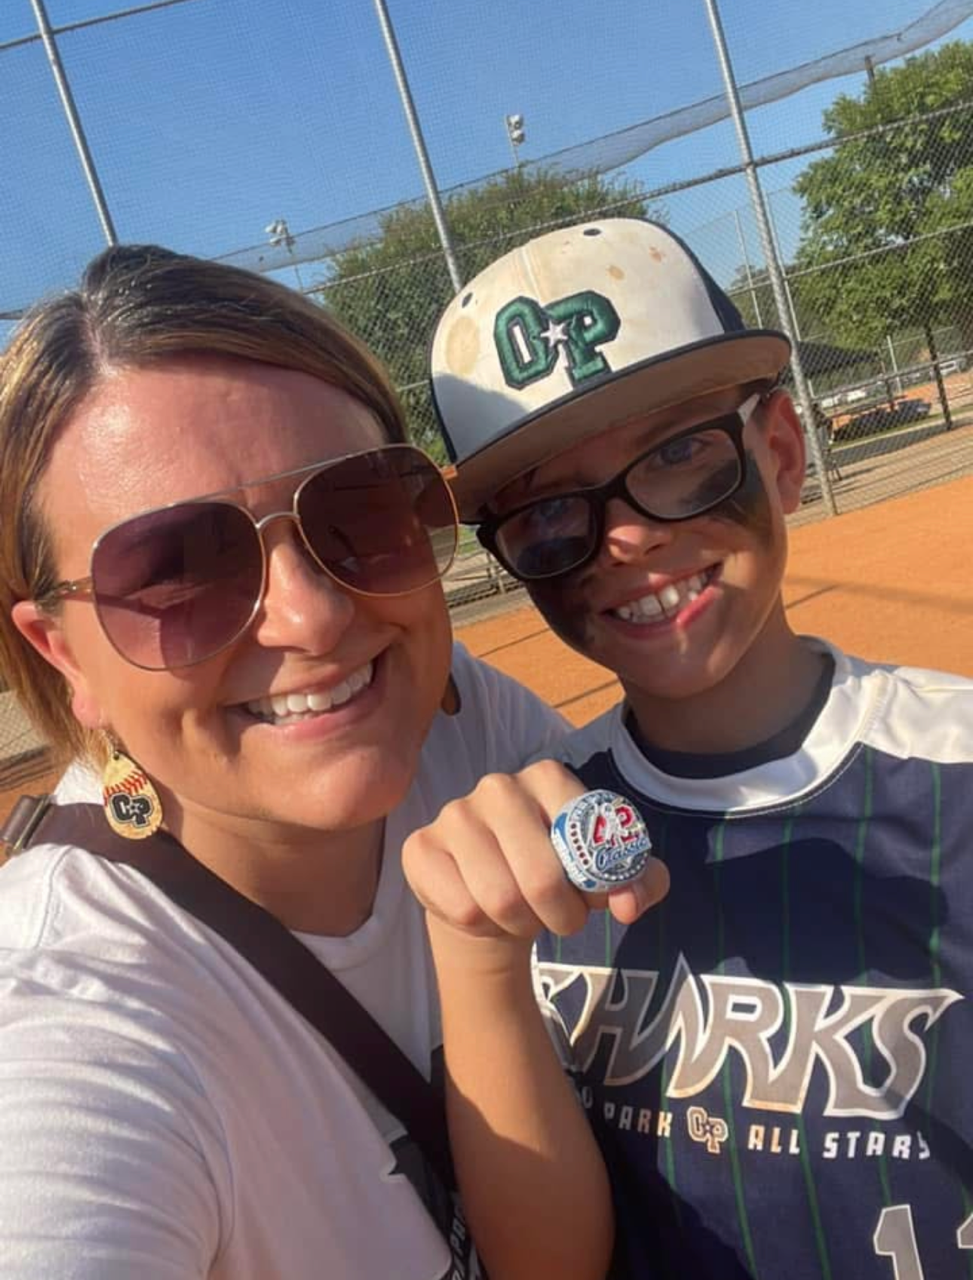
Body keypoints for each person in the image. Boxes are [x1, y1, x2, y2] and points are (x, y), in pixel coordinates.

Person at [0, 243, 661, 1280]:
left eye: (359, 512)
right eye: (174, 569)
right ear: (61, 653)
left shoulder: (452, 715)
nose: (314, 617)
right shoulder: (66, 1017)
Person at [405, 217, 973, 1279]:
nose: (623, 536)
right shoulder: (524, 853)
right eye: (547, 513)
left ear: (781, 451)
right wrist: (478, 958)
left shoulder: (958, 774)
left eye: (676, 454)